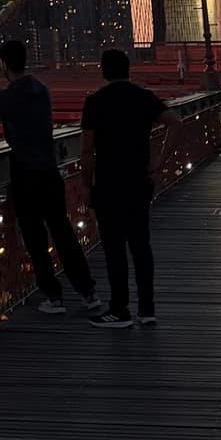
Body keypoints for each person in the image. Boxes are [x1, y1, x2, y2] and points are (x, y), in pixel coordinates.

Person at [0, 39, 99, 314]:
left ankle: (54, 298)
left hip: (24, 173)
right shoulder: (41, 89)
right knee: (63, 232)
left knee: (35, 237)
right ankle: (88, 292)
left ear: (4, 65)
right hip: (49, 170)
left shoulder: (7, 97)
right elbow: (19, 100)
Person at [80, 46, 171, 327]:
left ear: (103, 71)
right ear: (128, 69)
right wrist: (159, 160)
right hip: (139, 182)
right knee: (141, 245)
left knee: (114, 249)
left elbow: (86, 151)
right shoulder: (144, 98)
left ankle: (119, 310)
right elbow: (177, 123)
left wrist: (85, 185)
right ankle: (147, 309)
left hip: (108, 184)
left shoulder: (95, 102)